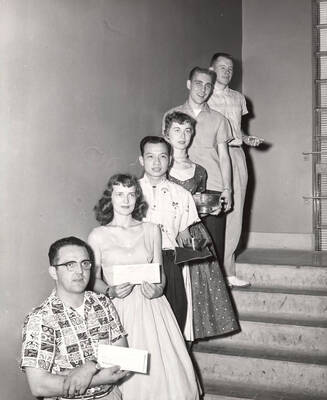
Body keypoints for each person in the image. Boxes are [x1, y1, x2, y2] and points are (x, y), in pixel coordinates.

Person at [88, 174, 200, 400]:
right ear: (110, 198)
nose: (126, 200)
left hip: (153, 307)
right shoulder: (98, 235)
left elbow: (160, 273)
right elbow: (92, 279)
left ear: (137, 198)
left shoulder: (151, 229)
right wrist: (110, 291)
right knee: (125, 373)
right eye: (119, 194)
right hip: (118, 311)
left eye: (131, 194)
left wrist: (158, 289)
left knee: (163, 373)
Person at [20, 236, 128, 400]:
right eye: (70, 265)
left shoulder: (103, 302)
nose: (80, 271)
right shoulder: (40, 318)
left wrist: (90, 366)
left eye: (85, 263)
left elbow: (122, 355)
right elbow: (39, 386)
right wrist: (96, 377)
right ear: (53, 272)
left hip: (110, 396)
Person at [163, 110, 239, 340]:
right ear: (166, 134)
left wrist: (211, 208)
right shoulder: (161, 166)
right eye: (177, 130)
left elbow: (197, 204)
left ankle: (189, 337)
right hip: (167, 233)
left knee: (195, 288)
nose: (183, 136)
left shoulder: (199, 171)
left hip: (193, 235)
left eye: (187, 130)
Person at [163, 66, 233, 275]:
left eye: (208, 85)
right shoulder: (171, 115)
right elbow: (164, 150)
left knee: (211, 252)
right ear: (188, 84)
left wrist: (227, 189)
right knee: (179, 253)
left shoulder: (219, 119)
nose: (203, 89)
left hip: (210, 190)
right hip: (178, 188)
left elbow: (224, 156)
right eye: (198, 84)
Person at [138, 136, 200, 340]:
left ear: (170, 160)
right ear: (141, 160)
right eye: (150, 157)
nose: (156, 163)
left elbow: (184, 236)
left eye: (162, 156)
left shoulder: (182, 195)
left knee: (175, 316)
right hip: (137, 262)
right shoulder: (131, 192)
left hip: (169, 261)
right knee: (141, 323)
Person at [208, 52, 262, 287]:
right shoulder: (205, 96)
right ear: (212, 69)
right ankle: (211, 272)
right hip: (213, 157)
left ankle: (228, 271)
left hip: (237, 154)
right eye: (222, 67)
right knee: (213, 212)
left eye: (230, 68)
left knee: (235, 211)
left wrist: (247, 140)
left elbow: (238, 132)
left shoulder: (239, 98)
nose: (227, 72)